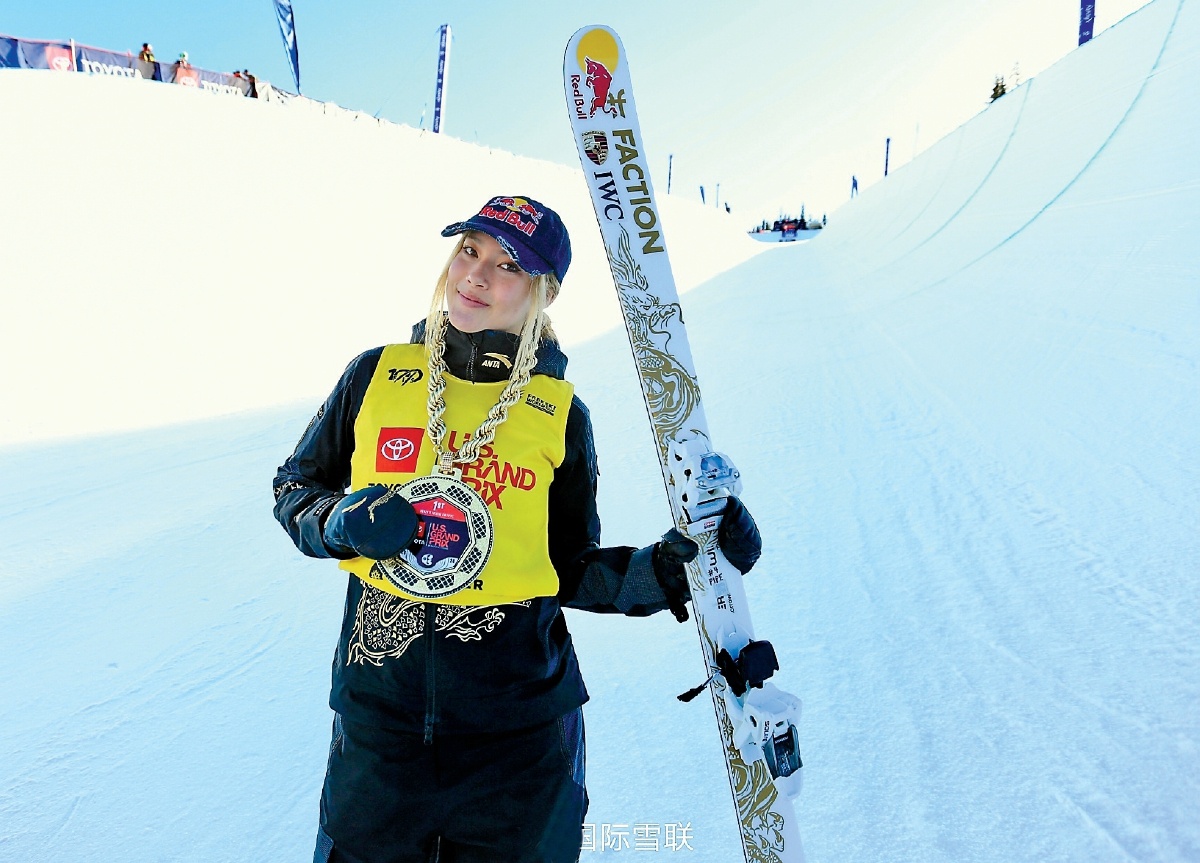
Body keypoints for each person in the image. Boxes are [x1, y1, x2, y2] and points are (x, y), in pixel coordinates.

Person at [272, 194, 762, 863]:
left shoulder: (559, 413)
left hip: (519, 745)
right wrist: (340, 522)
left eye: (507, 265)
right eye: (469, 250)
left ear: (543, 292)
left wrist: (677, 566)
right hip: (379, 732)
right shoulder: (375, 375)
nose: (475, 274)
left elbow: (570, 567)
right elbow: (297, 486)